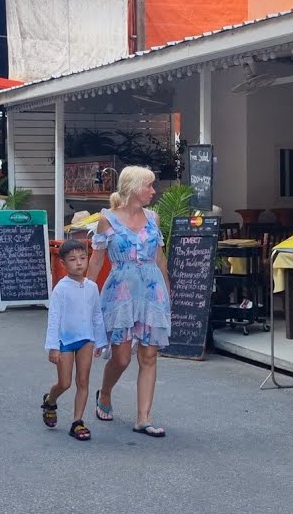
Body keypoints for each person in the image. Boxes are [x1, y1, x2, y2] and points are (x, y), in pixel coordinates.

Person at [89, 165, 170, 438]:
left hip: (151, 293)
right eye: (149, 185)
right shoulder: (108, 220)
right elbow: (96, 261)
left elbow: (160, 259)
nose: (153, 191)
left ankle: (143, 418)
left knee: (149, 355)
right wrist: (85, 294)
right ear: (134, 188)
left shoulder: (153, 218)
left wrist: (167, 293)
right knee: (122, 358)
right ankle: (105, 392)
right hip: (121, 294)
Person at [41, 240, 107, 441]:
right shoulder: (61, 289)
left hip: (86, 339)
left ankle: (77, 422)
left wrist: (100, 341)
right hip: (65, 341)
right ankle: (50, 400)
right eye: (72, 259)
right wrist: (53, 347)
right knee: (65, 383)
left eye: (82, 258)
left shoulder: (92, 287)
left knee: (83, 381)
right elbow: (54, 318)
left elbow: (96, 315)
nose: (79, 263)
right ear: (63, 263)